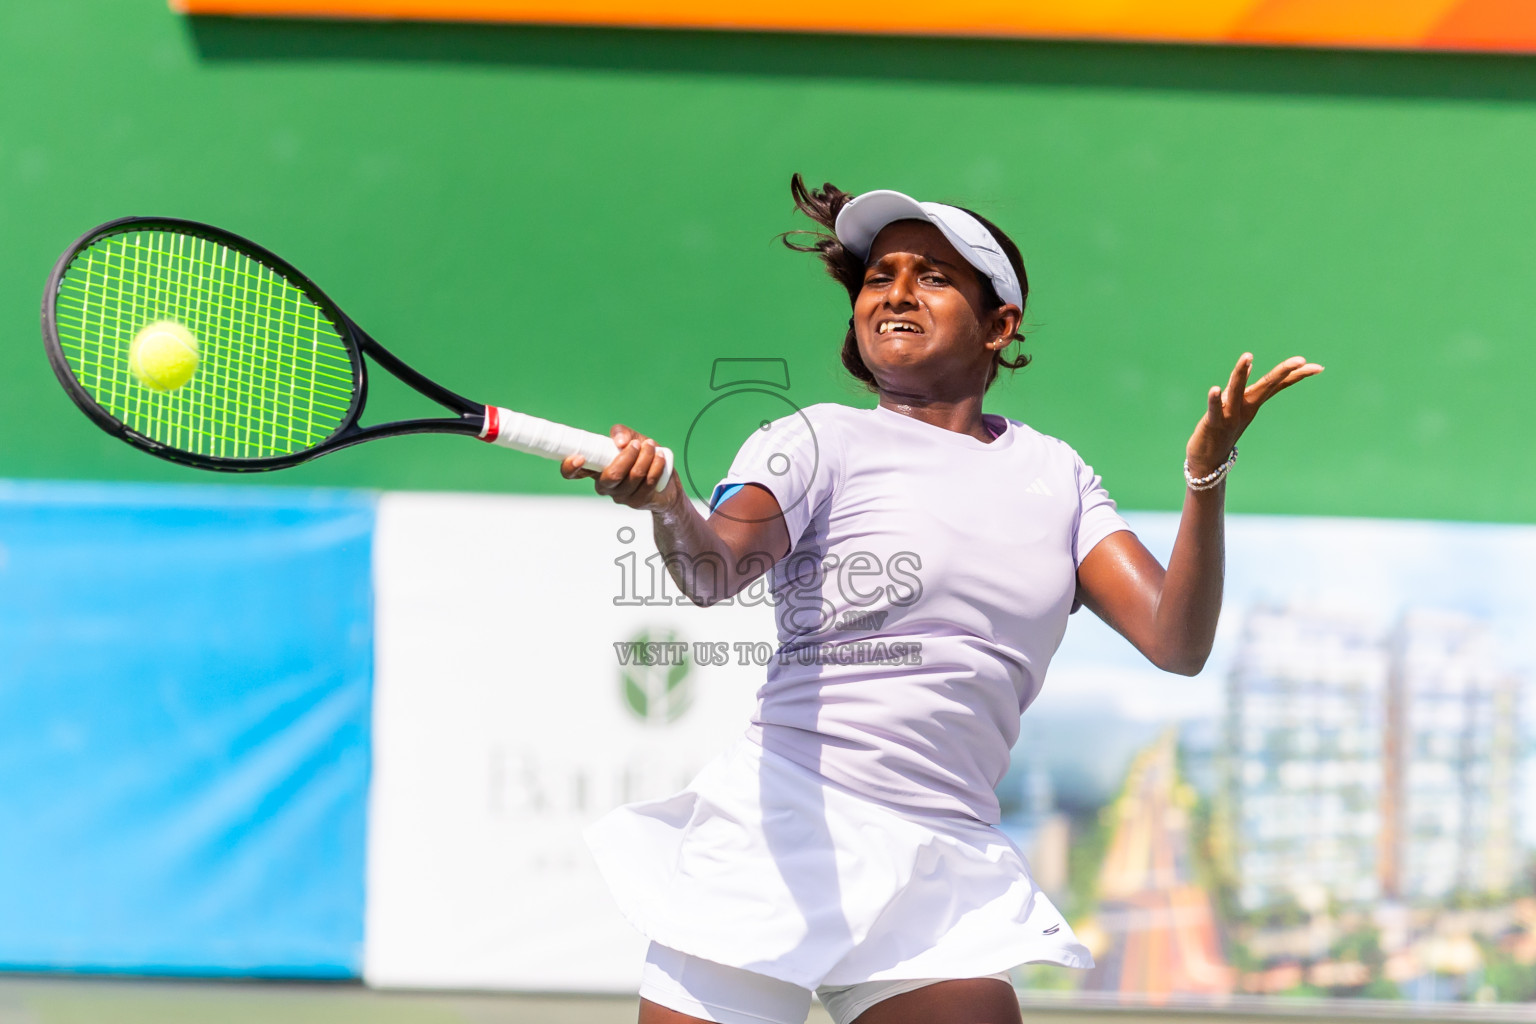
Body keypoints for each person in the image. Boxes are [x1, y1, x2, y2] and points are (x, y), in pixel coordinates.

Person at [562, 175, 1322, 1024]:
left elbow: (1175, 643)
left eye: (932, 276)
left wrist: (1204, 478)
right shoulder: (814, 439)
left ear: (1000, 325)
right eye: (880, 276)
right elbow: (713, 572)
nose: (894, 293)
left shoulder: (1058, 475)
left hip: (943, 858)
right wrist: (668, 501)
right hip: (776, 835)